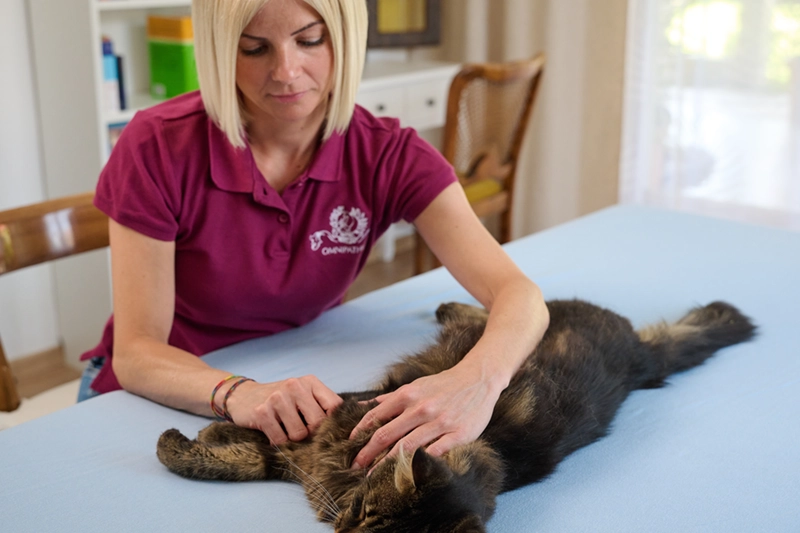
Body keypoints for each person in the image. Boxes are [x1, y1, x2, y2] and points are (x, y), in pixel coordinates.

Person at [79, 0, 549, 472]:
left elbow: (519, 295)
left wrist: (475, 382)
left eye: (309, 40)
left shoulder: (388, 154)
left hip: (290, 372)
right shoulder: (157, 145)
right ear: (220, 50)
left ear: (344, 37)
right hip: (166, 389)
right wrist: (236, 392)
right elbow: (136, 354)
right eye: (254, 48)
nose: (286, 72)